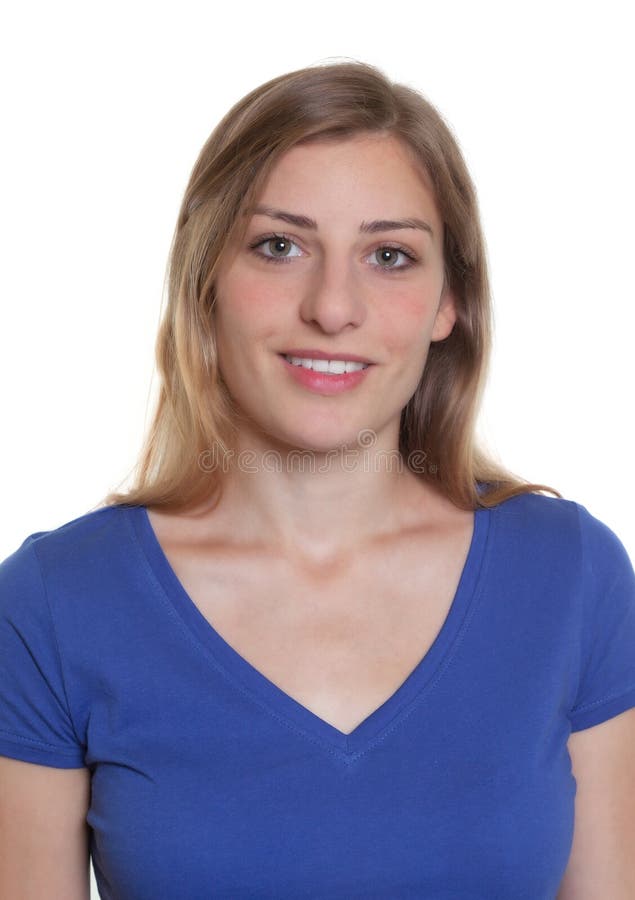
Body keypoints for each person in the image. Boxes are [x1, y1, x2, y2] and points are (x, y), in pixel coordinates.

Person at [1, 59, 634, 900]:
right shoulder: (56, 602)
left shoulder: (570, 577)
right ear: (206, 283)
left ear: (451, 303)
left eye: (389, 255)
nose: (333, 307)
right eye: (279, 245)